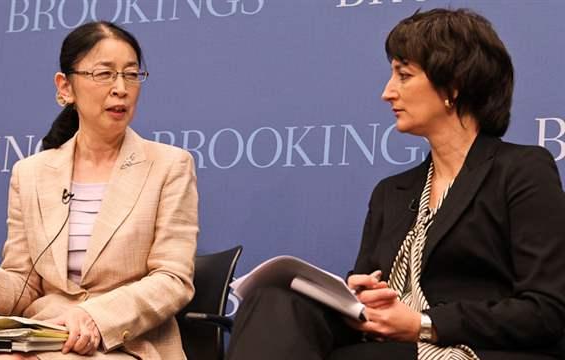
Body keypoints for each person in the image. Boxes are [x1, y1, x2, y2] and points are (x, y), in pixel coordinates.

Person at [225, 8, 565, 360]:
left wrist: (423, 322)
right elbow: (371, 292)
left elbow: (546, 310)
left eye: (404, 75)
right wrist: (355, 296)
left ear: (453, 85)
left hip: (471, 346)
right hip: (389, 343)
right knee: (276, 300)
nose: (387, 93)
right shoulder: (391, 191)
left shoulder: (521, 170)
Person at [0, 21, 198, 360]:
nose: (121, 88)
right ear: (65, 87)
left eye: (131, 75)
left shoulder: (169, 165)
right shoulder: (31, 173)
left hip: (124, 342)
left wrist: (93, 317)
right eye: (104, 74)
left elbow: (172, 279)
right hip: (45, 331)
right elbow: (24, 292)